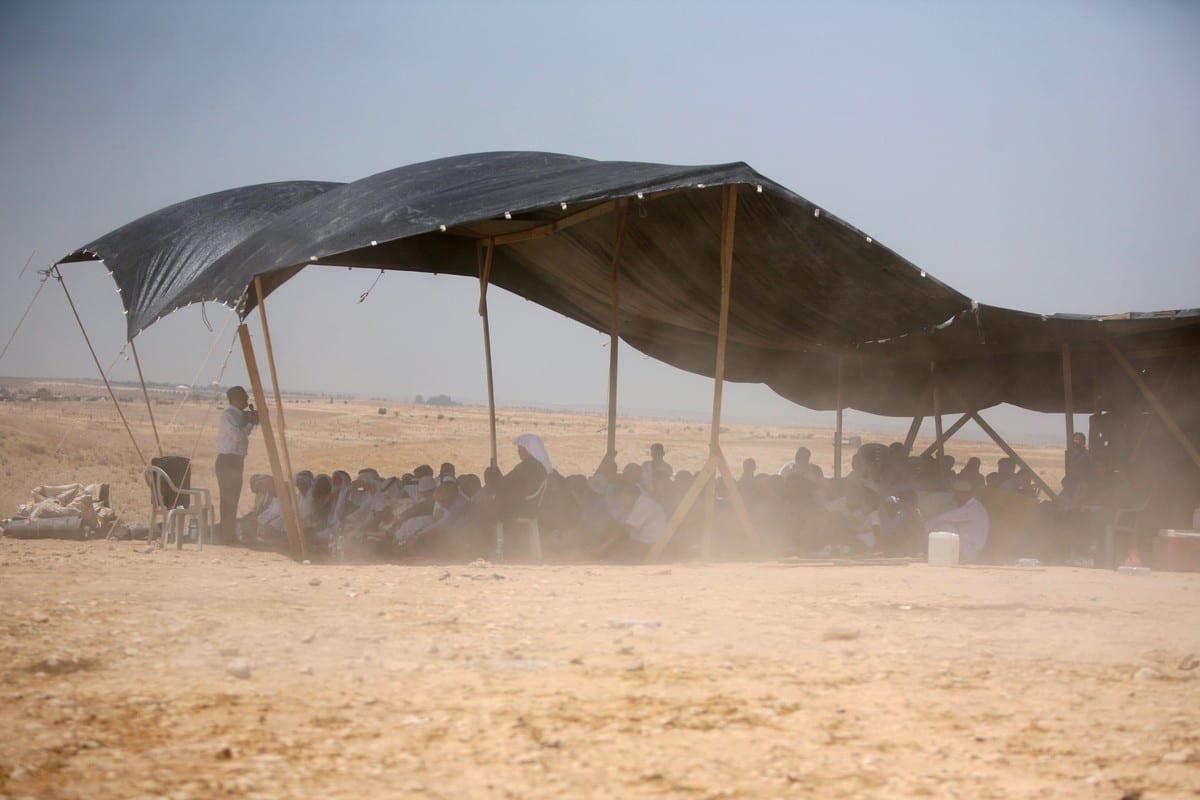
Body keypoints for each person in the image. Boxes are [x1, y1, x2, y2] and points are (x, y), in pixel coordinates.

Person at [215, 386, 258, 544]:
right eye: (244, 395)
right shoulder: (229, 415)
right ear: (235, 398)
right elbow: (238, 436)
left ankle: (228, 533)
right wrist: (250, 423)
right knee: (228, 499)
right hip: (228, 461)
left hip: (236, 461)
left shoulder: (239, 415)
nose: (247, 398)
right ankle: (225, 535)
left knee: (233, 499)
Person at [925, 478, 990, 563]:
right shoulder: (976, 505)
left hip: (970, 549)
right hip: (972, 547)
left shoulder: (971, 509)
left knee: (944, 526)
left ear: (959, 494)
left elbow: (947, 516)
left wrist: (926, 526)